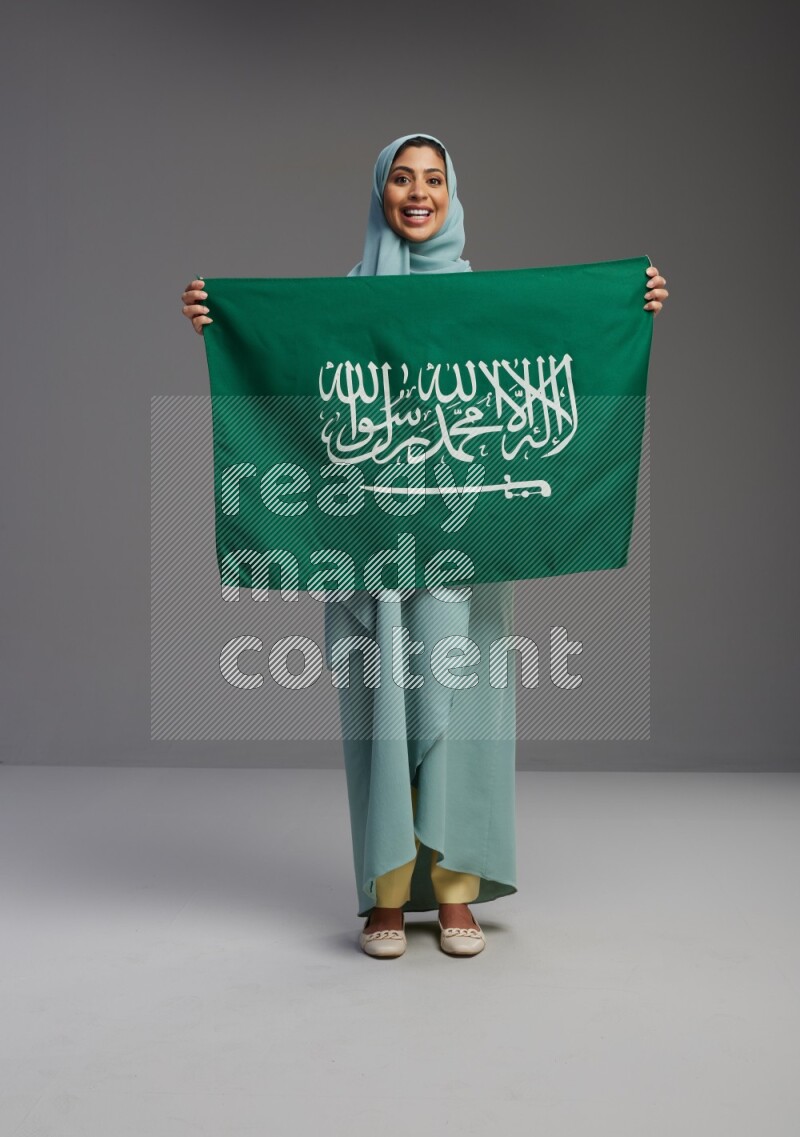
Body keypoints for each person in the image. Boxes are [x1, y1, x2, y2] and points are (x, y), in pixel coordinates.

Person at [181, 132, 669, 960]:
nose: (417, 193)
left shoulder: (489, 309)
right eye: (401, 179)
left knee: (469, 711)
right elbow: (286, 382)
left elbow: (565, 349)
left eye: (433, 179)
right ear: (379, 193)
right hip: (366, 545)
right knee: (378, 710)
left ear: (452, 193)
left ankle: (454, 892)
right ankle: (383, 891)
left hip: (463, 545)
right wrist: (220, 324)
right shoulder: (340, 309)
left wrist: (630, 302)